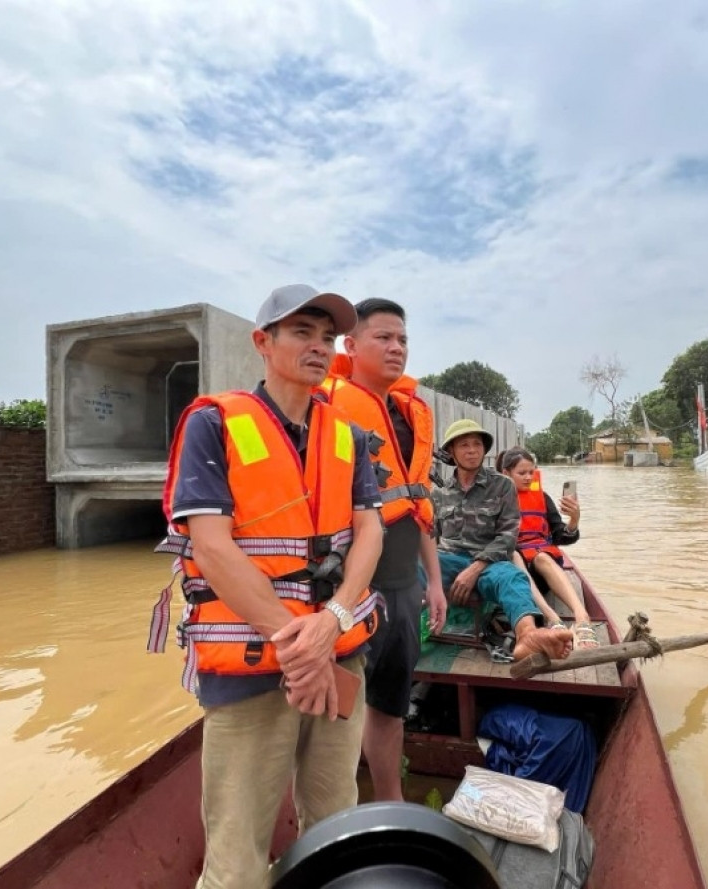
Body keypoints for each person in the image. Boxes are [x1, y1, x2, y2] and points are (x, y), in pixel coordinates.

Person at [149, 284, 385, 889]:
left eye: (328, 337)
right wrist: (295, 646)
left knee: (335, 827)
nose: (319, 347)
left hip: (339, 655)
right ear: (263, 341)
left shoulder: (348, 436)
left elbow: (370, 533)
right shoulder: (213, 424)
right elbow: (211, 545)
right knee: (237, 857)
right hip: (253, 668)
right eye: (302, 332)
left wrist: (331, 620)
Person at [318, 297, 447, 802]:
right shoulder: (324, 407)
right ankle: (333, 811)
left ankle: (390, 800)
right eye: (384, 338)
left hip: (403, 584)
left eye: (403, 340)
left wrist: (432, 582)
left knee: (391, 706)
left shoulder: (409, 414)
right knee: (337, 709)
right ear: (351, 345)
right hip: (349, 591)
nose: (397, 348)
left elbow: (419, 505)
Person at [431, 419, 574, 662]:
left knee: (513, 577)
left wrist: (475, 569)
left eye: (477, 444)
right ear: (451, 452)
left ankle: (528, 636)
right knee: (411, 570)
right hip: (449, 560)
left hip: (489, 564)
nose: (472, 450)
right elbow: (431, 539)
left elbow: (508, 536)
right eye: (464, 445)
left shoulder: (502, 485)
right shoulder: (439, 493)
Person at [495, 446, 598, 650]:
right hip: (515, 574)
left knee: (542, 557)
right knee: (514, 554)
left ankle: (582, 617)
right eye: (522, 473)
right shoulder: (493, 500)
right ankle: (552, 618)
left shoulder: (542, 497)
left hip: (542, 573)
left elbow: (561, 536)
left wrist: (574, 520)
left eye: (531, 472)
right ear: (506, 474)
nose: (528, 478)